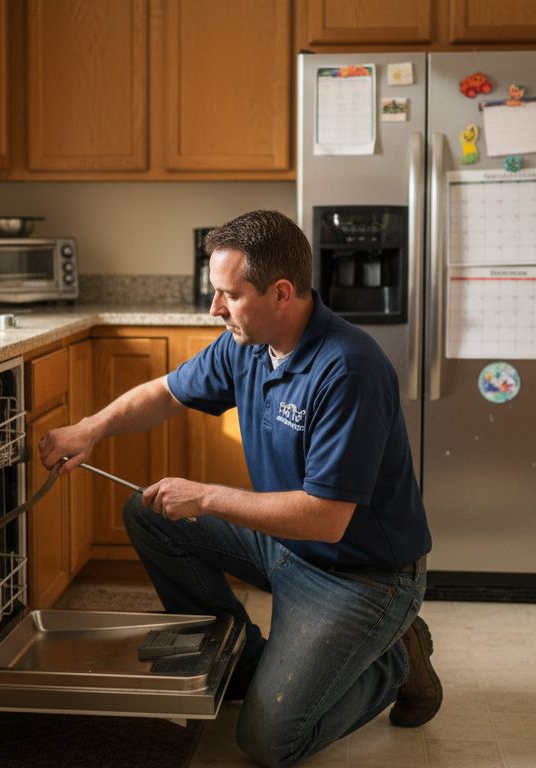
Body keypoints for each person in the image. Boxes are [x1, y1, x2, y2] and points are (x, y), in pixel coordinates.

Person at [39, 210, 440, 767]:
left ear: (281, 293)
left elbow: (325, 519)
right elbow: (166, 393)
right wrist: (91, 427)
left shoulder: (348, 369)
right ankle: (247, 668)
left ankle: (395, 657)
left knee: (270, 742)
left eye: (229, 294)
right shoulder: (246, 344)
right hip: (285, 545)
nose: (214, 308)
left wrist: (203, 496)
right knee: (150, 512)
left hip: (362, 576)